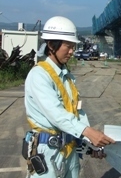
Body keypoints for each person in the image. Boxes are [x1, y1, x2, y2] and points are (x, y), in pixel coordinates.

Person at [24, 16, 115, 178]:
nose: (72, 51)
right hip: (49, 153)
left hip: (70, 151)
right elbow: (56, 114)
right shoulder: (39, 75)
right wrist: (88, 132)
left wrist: (89, 145)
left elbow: (76, 113)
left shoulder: (67, 77)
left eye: (73, 46)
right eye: (68, 46)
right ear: (51, 45)